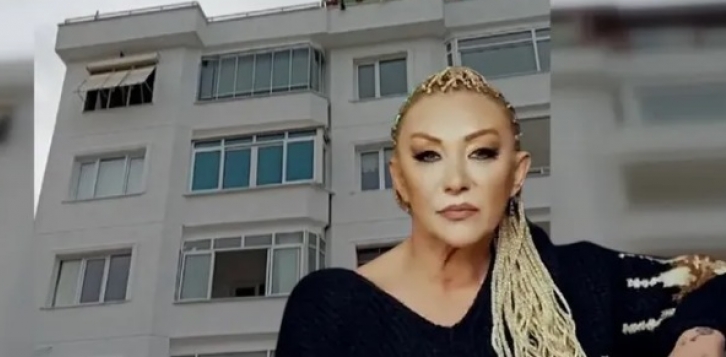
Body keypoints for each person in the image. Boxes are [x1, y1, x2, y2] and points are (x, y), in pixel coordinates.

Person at [274, 66, 726, 357]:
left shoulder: (578, 281)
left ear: (516, 174)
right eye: (429, 156)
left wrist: (699, 337)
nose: (456, 180)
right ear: (399, 179)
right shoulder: (331, 308)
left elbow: (715, 281)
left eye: (482, 153)